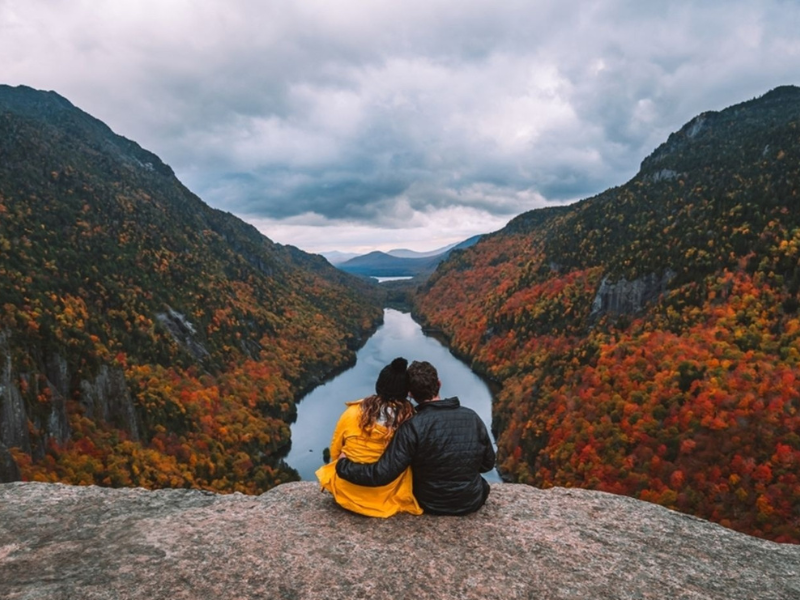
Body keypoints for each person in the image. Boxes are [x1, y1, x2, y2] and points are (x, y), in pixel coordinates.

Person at [336, 360, 496, 515]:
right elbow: (487, 464)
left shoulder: (412, 426)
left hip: (430, 502)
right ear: (439, 384)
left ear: (410, 394)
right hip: (472, 500)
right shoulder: (472, 417)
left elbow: (382, 474)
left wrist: (343, 466)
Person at [315, 357, 422, 518]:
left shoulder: (352, 413)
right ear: (405, 392)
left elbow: (335, 451)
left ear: (379, 386)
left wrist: (342, 462)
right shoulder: (410, 421)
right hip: (386, 497)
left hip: (347, 492)